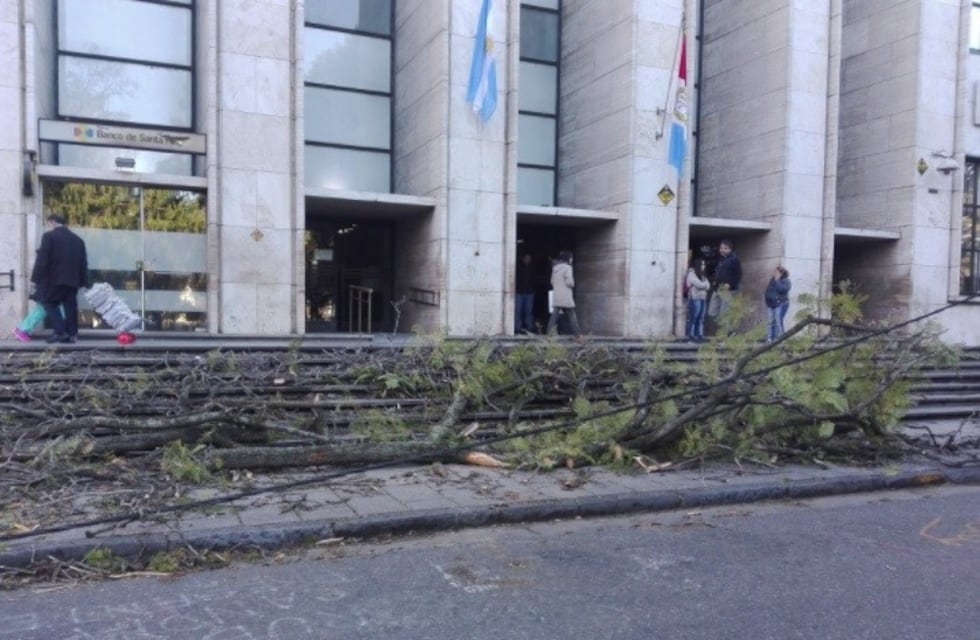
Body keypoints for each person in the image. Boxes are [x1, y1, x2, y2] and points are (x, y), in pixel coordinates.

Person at [30, 214, 90, 344]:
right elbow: (83, 263)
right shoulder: (78, 240)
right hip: (73, 281)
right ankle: (72, 335)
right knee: (70, 307)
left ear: (52, 222)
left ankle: (61, 332)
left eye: (48, 224)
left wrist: (35, 279)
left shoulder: (49, 237)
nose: (48, 227)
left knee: (48, 303)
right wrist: (85, 282)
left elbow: (42, 260)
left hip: (54, 280)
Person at [546, 250, 581, 336]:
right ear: (569, 259)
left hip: (557, 294)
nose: (572, 260)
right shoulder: (568, 268)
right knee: (572, 314)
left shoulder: (555, 269)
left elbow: (552, 281)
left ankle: (548, 333)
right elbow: (570, 282)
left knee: (554, 315)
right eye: (571, 258)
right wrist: (572, 284)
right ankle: (578, 335)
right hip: (566, 295)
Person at [709, 239, 742, 327]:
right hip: (717, 288)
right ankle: (729, 329)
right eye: (721, 248)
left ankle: (726, 334)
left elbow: (738, 275)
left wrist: (730, 284)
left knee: (724, 313)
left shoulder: (734, 259)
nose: (722, 250)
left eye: (725, 248)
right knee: (711, 313)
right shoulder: (720, 259)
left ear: (730, 249)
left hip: (727, 290)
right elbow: (715, 272)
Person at [684, 259, 710, 342]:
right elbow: (700, 285)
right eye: (702, 264)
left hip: (703, 298)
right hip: (695, 298)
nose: (704, 266)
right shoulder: (691, 274)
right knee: (694, 317)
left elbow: (708, 286)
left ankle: (700, 335)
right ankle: (691, 335)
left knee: (701, 318)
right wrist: (704, 285)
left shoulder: (703, 275)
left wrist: (704, 285)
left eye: (704, 264)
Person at [764, 265, 792, 342]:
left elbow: (782, 289)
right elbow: (769, 290)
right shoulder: (772, 280)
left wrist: (777, 281)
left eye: (776, 272)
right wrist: (767, 300)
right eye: (774, 272)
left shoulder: (786, 281)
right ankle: (770, 338)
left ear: (781, 273)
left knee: (778, 321)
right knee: (770, 321)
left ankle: (780, 339)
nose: (774, 273)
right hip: (771, 304)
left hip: (780, 304)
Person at [515, 252, 536, 334]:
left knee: (528, 311)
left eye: (529, 258)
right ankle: (517, 328)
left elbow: (534, 279)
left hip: (529, 293)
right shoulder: (518, 267)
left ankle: (529, 328)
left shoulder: (532, 267)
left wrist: (533, 289)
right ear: (523, 259)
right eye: (527, 258)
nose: (528, 260)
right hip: (519, 292)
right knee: (518, 311)